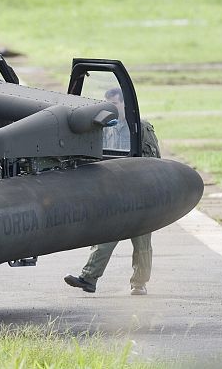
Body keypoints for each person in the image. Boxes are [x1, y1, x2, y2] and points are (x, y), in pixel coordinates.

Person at [64, 88, 162, 296]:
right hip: (115, 193)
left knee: (142, 244)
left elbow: (154, 160)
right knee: (104, 237)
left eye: (114, 103)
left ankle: (139, 283)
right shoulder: (105, 128)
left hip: (141, 194)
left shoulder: (141, 128)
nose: (110, 107)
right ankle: (89, 278)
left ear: (125, 104)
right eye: (107, 103)